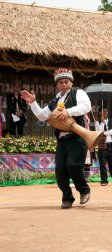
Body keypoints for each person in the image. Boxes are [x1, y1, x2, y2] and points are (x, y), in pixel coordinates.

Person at [21, 68, 91, 209]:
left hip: (77, 137)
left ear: (71, 82)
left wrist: (68, 111)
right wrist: (32, 103)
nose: (63, 85)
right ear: (57, 84)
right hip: (62, 140)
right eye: (60, 82)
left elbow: (86, 107)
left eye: (66, 82)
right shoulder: (55, 100)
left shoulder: (78, 92)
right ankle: (67, 198)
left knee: (73, 165)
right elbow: (42, 115)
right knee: (59, 169)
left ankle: (84, 190)